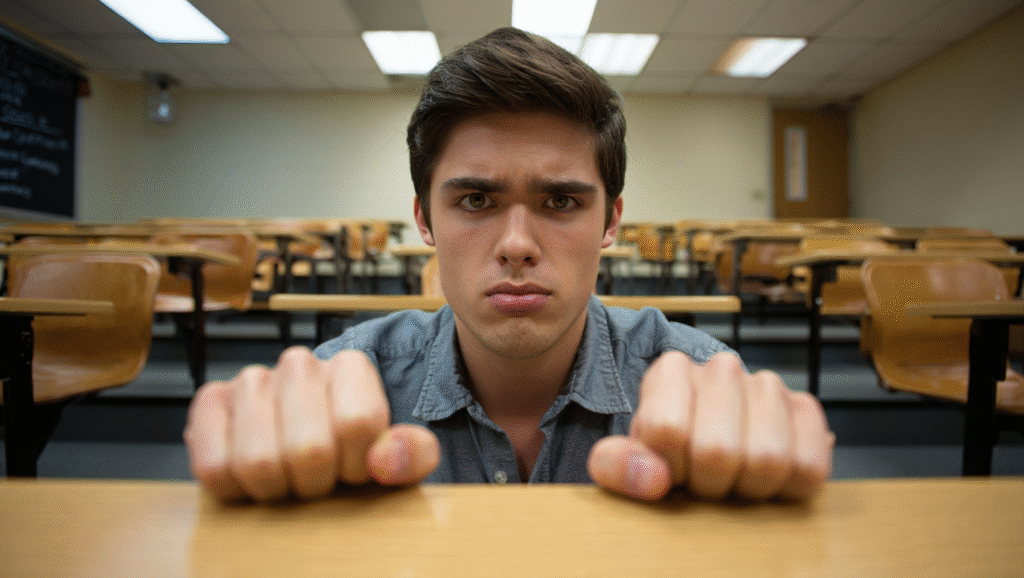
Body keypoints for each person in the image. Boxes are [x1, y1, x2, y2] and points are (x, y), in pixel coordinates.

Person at [184, 27, 834, 503]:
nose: (517, 243)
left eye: (560, 201)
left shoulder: (696, 382)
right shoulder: (345, 390)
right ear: (425, 221)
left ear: (610, 221)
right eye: (475, 200)